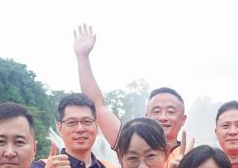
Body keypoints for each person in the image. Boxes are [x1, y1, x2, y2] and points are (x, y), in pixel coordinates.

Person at [73, 24, 187, 155]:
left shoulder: (193, 156)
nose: (163, 117)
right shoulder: (129, 144)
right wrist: (82, 58)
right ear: (146, 117)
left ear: (183, 119)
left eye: (170, 111)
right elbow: (98, 107)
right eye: (156, 111)